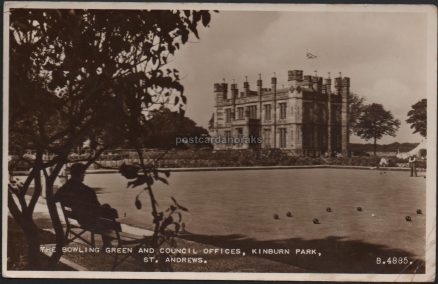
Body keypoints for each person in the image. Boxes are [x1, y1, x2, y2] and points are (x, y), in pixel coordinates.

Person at [55, 163, 116, 248]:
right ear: (80, 174)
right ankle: (107, 242)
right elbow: (97, 208)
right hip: (90, 221)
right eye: (83, 173)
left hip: (79, 218)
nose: (84, 175)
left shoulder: (64, 189)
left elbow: (55, 199)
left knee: (105, 210)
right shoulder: (88, 191)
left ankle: (107, 242)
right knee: (108, 209)